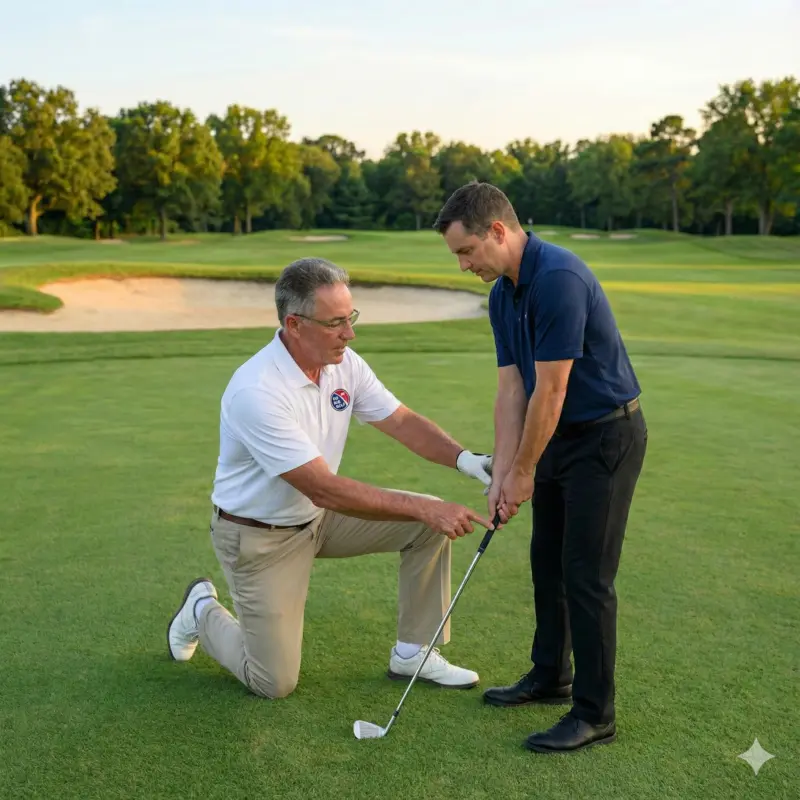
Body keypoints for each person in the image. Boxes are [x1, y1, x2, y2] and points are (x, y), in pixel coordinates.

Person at [166, 257, 496, 700]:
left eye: (350, 317)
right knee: (273, 682)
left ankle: (413, 653)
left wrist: (465, 460)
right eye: (335, 323)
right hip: (260, 536)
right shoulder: (257, 391)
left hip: (318, 519)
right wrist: (424, 507)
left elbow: (400, 421)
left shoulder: (344, 364)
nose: (350, 333)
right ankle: (201, 609)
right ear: (294, 324)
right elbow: (322, 487)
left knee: (426, 524)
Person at [433, 182, 648, 753]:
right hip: (555, 435)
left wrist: (524, 472)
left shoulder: (558, 279)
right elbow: (512, 391)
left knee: (586, 575)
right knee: (546, 562)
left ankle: (595, 714)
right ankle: (551, 675)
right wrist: (502, 472)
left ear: (497, 231)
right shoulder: (502, 295)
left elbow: (551, 390)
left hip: (604, 437)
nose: (463, 266)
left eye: (466, 252)